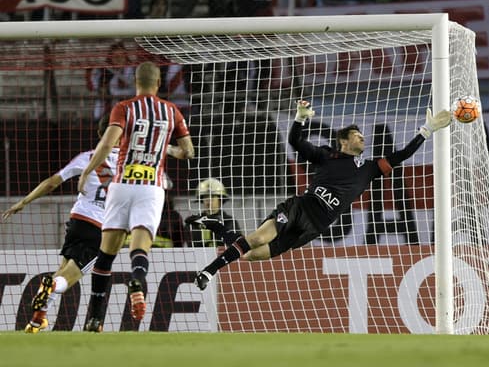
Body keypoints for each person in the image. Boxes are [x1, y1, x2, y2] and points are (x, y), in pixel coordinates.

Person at [194, 99, 451, 290]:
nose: (363, 139)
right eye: (357, 136)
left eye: (362, 136)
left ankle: (218, 227)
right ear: (344, 141)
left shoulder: (370, 169)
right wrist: (300, 117)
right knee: (258, 237)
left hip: (316, 226)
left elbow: (402, 155)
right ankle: (208, 272)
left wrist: (426, 130)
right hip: (300, 207)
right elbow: (296, 141)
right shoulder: (327, 155)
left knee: (252, 254)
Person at [78, 61, 194, 332]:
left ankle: (95, 318)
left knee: (106, 254)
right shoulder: (171, 110)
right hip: (151, 187)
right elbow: (188, 151)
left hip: (122, 184)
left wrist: (88, 171)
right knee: (139, 248)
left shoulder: (124, 108)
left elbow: (108, 143)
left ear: (136, 83)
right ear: (158, 84)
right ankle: (137, 280)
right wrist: (168, 150)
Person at [1, 115, 118, 333]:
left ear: (99, 134)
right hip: (101, 227)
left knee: (63, 269)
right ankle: (51, 287)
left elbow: (53, 182)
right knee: (69, 277)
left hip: (77, 220)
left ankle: (37, 320)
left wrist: (24, 201)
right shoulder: (128, 163)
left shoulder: (87, 157)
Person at [185, 178, 243, 247]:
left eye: (212, 196)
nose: (208, 200)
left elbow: (236, 244)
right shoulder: (194, 223)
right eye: (206, 197)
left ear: (220, 200)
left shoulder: (230, 222)